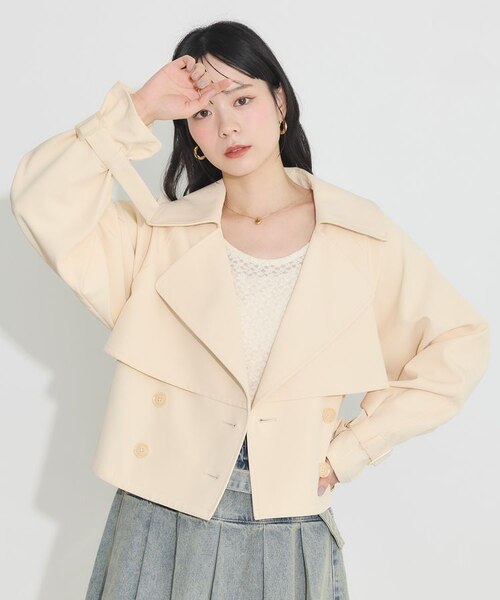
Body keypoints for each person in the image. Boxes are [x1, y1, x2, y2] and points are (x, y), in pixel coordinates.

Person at [10, 19, 489, 600]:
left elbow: (458, 342)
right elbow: (39, 200)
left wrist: (355, 448)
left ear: (279, 102)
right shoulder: (160, 238)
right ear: (189, 130)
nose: (227, 125)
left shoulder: (358, 234)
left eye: (242, 99)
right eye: (203, 111)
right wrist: (137, 109)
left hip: (288, 523)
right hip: (159, 519)